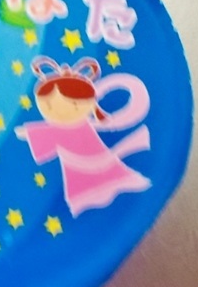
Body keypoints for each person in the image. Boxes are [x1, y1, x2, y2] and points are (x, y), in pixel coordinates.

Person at [15, 56, 150, 217]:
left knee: (108, 185)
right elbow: (52, 133)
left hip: (92, 162)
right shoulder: (64, 127)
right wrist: (28, 132)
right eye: (49, 105)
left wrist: (27, 132)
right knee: (87, 194)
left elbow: (52, 134)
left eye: (72, 104)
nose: (60, 111)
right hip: (78, 171)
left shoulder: (78, 125)